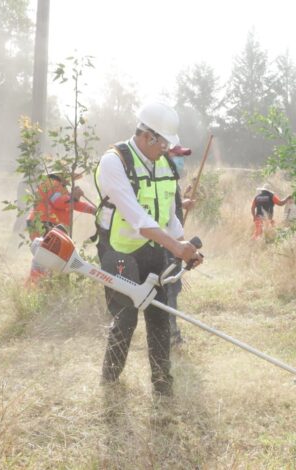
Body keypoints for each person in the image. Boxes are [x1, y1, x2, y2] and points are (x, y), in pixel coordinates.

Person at [94, 101, 202, 397]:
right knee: (126, 315)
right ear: (147, 136)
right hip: (118, 250)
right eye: (163, 142)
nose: (167, 149)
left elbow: (169, 216)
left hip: (154, 248)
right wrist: (175, 247)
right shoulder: (115, 161)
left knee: (159, 315)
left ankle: (163, 385)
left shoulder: (165, 165)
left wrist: (185, 245)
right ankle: (111, 381)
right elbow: (137, 218)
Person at [26, 172, 96, 282]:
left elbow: (73, 204)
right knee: (45, 256)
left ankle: (43, 285)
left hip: (45, 224)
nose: (70, 180)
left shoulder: (60, 188)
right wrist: (74, 197)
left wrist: (94, 210)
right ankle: (35, 286)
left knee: (47, 257)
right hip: (44, 223)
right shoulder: (51, 183)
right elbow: (58, 202)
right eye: (69, 176)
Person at [164, 145, 195, 347]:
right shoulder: (163, 179)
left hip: (173, 242)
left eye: (183, 157)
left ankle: (168, 331)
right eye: (177, 156)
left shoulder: (171, 179)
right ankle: (170, 333)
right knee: (170, 288)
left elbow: (171, 207)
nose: (181, 160)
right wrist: (179, 245)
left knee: (172, 288)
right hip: (165, 243)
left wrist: (183, 203)